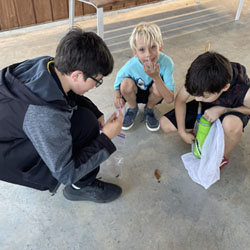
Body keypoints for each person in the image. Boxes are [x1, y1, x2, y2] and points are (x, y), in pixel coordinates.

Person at [0, 27, 123, 203]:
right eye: (97, 81)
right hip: (10, 155)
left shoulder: (48, 64)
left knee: (88, 118)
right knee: (87, 126)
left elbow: (63, 93)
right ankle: (81, 187)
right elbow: (66, 173)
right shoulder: (45, 115)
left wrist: (96, 113)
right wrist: (107, 138)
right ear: (77, 75)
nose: (96, 85)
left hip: (13, 129)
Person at [160, 51, 250, 169]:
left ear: (225, 87)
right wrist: (182, 132)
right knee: (165, 124)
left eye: (203, 96)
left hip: (231, 107)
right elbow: (180, 100)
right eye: (194, 95)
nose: (197, 99)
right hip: (210, 103)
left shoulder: (244, 91)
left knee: (232, 125)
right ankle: (203, 132)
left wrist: (223, 110)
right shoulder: (198, 78)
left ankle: (223, 156)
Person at [113, 22, 174, 132]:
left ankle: (149, 109)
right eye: (142, 50)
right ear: (135, 53)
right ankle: (133, 108)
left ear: (160, 46)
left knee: (158, 86)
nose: (148, 54)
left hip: (154, 93)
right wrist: (117, 97)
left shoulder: (167, 63)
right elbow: (118, 80)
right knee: (125, 84)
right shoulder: (131, 65)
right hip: (136, 92)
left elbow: (169, 99)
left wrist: (156, 77)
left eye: (153, 47)